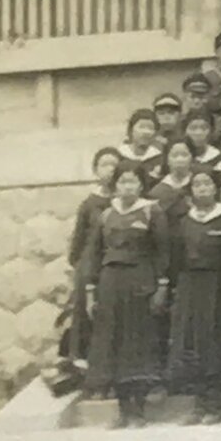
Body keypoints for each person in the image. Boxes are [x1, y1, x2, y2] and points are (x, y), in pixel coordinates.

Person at [80, 162, 170, 426]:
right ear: (115, 185)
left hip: (140, 280)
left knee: (137, 341)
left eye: (132, 182)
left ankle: (138, 410)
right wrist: (90, 290)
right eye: (122, 182)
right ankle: (122, 408)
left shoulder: (153, 212)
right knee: (113, 341)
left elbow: (162, 251)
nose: (127, 187)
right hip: (110, 283)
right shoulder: (106, 215)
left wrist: (161, 285)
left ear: (141, 185)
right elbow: (93, 254)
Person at [166, 167, 221, 423]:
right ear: (191, 191)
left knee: (213, 339)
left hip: (215, 283)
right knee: (191, 341)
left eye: (207, 184)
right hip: (189, 284)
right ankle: (199, 404)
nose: (203, 189)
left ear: (216, 188)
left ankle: (216, 404)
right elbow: (176, 256)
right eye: (197, 185)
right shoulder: (185, 221)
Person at [55, 148, 122, 394]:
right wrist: (85, 270)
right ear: (95, 170)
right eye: (104, 164)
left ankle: (114, 380)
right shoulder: (89, 204)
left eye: (114, 165)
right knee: (88, 322)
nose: (110, 169)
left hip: (116, 270)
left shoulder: (127, 200)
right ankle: (90, 380)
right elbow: (77, 245)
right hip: (90, 270)